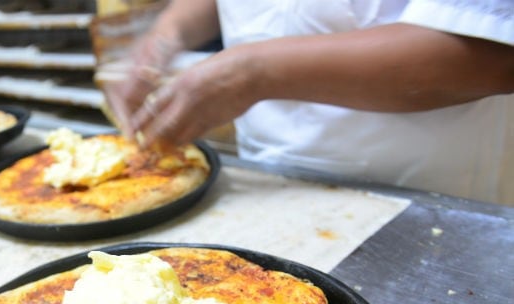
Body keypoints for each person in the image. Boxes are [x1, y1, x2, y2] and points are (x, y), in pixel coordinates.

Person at [108, 0, 514, 204]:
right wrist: (167, 35)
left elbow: (488, 55)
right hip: (261, 185)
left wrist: (249, 73)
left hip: (424, 197)